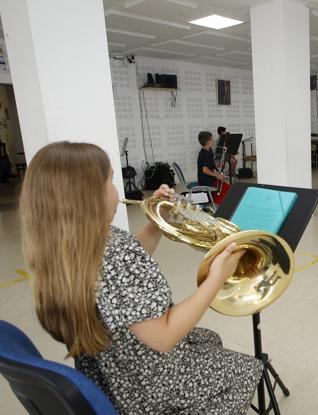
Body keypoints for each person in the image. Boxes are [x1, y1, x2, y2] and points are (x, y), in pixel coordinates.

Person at [19, 142, 262, 414]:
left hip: (110, 367)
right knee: (247, 369)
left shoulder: (76, 245)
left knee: (208, 338)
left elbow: (122, 278)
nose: (116, 191)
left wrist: (157, 224)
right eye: (110, 182)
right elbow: (164, 337)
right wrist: (216, 277)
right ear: (87, 197)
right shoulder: (116, 254)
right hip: (147, 386)